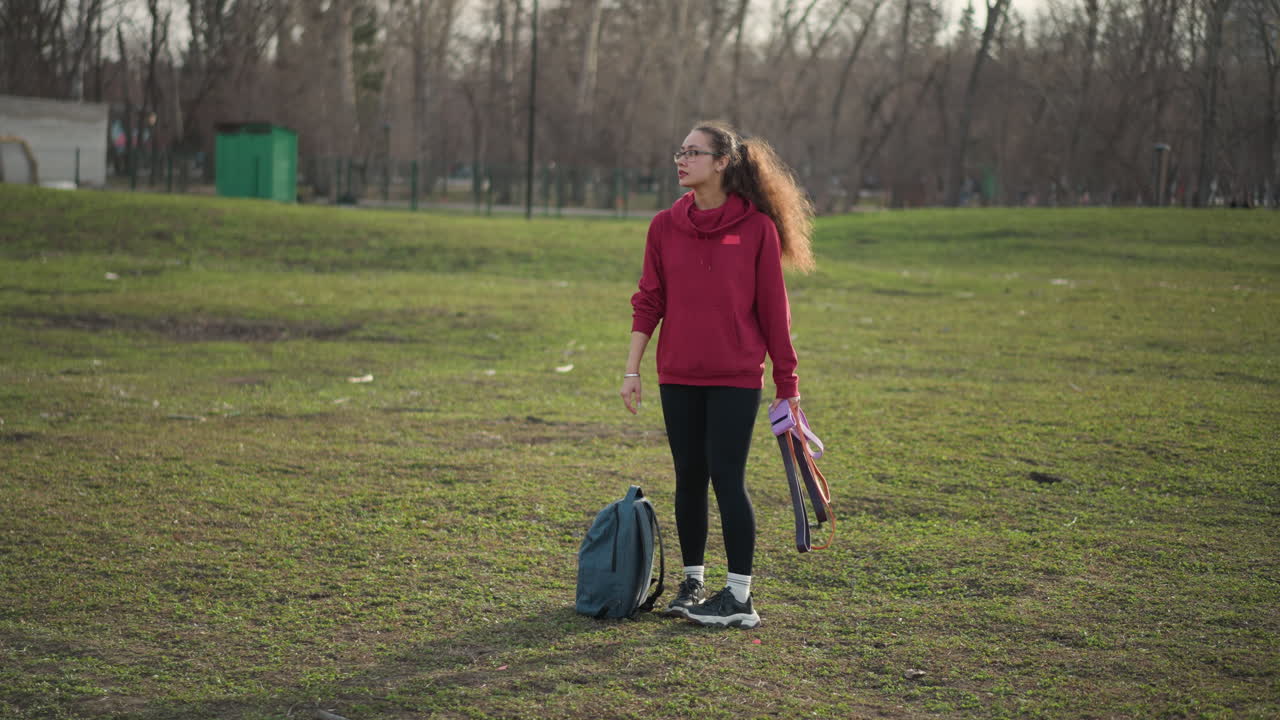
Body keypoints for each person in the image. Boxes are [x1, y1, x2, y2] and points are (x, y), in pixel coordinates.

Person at [619, 121, 815, 628]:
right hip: (678, 374)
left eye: (694, 152)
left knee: (727, 478)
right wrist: (632, 368)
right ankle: (693, 582)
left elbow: (775, 312)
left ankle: (740, 597)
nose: (681, 160)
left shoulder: (756, 230)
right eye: (679, 152)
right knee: (688, 477)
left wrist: (787, 385)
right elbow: (649, 299)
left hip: (735, 377)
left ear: (723, 162)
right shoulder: (664, 225)